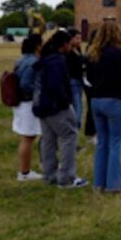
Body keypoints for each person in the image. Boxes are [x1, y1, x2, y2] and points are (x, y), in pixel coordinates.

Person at [33, 30, 88, 188]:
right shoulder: (57, 61)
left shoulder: (45, 59)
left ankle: (49, 175)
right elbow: (56, 86)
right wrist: (65, 103)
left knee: (48, 140)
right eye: (69, 44)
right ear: (64, 45)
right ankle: (66, 178)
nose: (71, 47)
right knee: (69, 136)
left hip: (41, 106)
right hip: (55, 106)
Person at [87, 21, 121, 194]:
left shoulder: (94, 54)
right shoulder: (119, 54)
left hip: (96, 100)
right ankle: (114, 185)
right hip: (114, 100)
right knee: (115, 143)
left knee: (102, 143)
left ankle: (99, 183)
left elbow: (89, 77)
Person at [11, 34, 44, 182]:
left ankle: (25, 170)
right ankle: (24, 172)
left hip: (20, 103)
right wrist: (39, 91)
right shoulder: (33, 62)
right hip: (28, 103)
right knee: (28, 137)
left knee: (27, 137)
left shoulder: (21, 60)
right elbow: (25, 84)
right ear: (37, 46)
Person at [65, 29, 85, 129]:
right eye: (77, 38)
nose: (79, 41)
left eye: (80, 38)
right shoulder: (68, 53)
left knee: (79, 108)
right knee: (76, 109)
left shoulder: (78, 50)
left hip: (79, 81)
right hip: (72, 82)